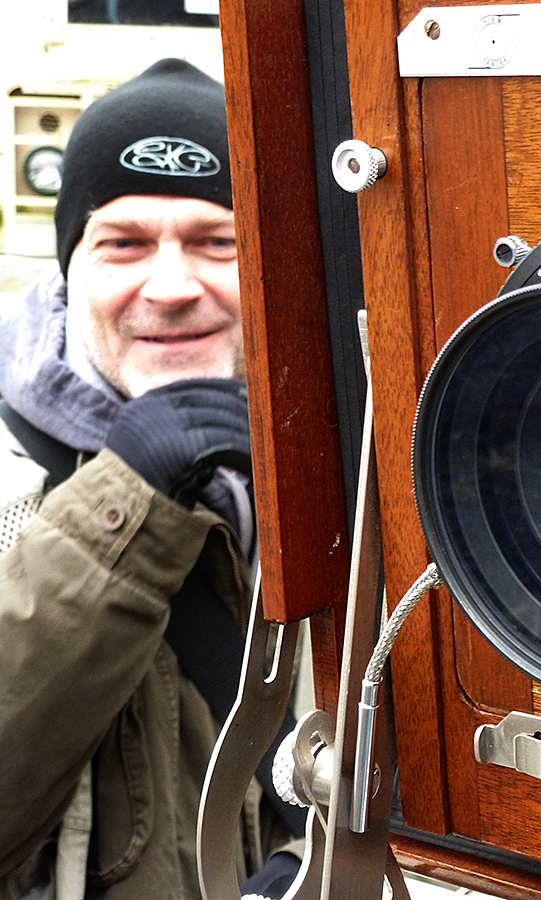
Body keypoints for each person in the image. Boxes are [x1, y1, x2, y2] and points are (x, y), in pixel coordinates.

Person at [0, 58, 302, 899]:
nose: (170, 288)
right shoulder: (10, 487)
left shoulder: (351, 469)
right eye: (124, 244)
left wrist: (307, 864)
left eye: (217, 242)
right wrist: (124, 500)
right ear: (70, 268)